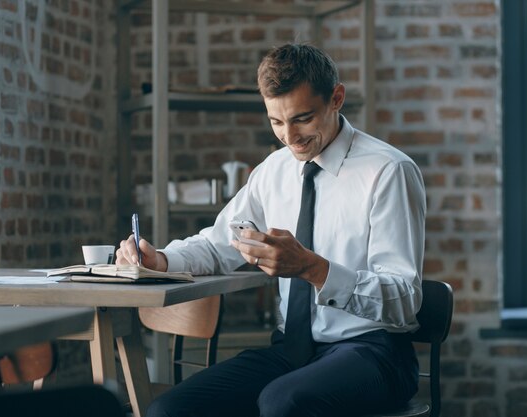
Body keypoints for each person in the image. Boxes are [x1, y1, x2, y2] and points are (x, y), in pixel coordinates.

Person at [116, 43, 426, 417]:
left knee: (283, 403)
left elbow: (405, 299)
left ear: (336, 98)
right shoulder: (274, 170)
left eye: (303, 118)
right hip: (290, 352)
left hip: (374, 352)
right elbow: (219, 246)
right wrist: (161, 259)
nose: (290, 137)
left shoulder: (388, 171)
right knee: (169, 410)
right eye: (276, 122)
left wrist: (313, 268)